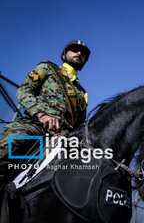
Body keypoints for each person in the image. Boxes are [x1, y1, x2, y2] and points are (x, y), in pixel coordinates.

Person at [0, 40, 90, 187]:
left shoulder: (81, 93)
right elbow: (24, 91)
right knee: (10, 144)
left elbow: (80, 123)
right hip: (36, 126)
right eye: (74, 50)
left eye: (83, 53)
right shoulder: (47, 68)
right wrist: (41, 114)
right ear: (63, 56)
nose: (79, 53)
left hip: (66, 137)